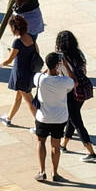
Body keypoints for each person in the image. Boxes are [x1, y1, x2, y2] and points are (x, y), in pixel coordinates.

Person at [0, 14, 42, 126]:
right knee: (18, 97)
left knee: (29, 101)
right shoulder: (31, 38)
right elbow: (37, 53)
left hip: (20, 75)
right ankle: (8, 118)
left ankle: (40, 125)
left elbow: (8, 61)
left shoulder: (17, 42)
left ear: (15, 28)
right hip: (29, 73)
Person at [54, 30, 96, 159]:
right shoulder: (79, 54)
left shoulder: (60, 58)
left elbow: (59, 74)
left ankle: (90, 151)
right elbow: (84, 70)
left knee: (76, 120)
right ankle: (64, 144)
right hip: (81, 91)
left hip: (69, 91)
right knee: (72, 117)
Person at [32, 52, 75, 183]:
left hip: (43, 117)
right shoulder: (64, 81)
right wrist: (66, 67)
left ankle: (41, 171)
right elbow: (73, 82)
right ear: (57, 65)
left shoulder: (39, 78)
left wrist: (50, 68)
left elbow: (43, 74)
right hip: (59, 119)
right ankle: (55, 173)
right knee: (55, 146)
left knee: (41, 142)